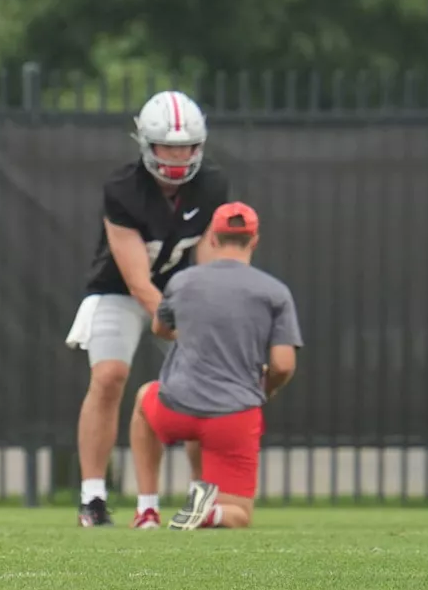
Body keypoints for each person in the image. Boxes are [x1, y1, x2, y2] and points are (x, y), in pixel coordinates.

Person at [65, 90, 228, 527]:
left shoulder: (211, 184)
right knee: (108, 376)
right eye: (168, 146)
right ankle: (93, 497)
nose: (177, 156)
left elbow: (209, 261)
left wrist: (204, 315)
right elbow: (137, 278)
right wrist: (174, 321)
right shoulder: (122, 188)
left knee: (205, 379)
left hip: (180, 286)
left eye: (186, 146)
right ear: (146, 144)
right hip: (118, 288)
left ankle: (203, 496)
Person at [129, 202, 301, 529]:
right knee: (239, 515)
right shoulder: (275, 293)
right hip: (234, 416)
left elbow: (160, 328)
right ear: (254, 240)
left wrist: (195, 333)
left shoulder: (184, 282)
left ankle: (147, 510)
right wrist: (265, 389)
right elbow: (282, 364)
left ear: (212, 240)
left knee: (142, 399)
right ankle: (210, 512)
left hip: (176, 408)